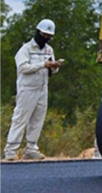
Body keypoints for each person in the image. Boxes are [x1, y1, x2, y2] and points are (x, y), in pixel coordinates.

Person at [5, 20, 62, 161]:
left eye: (49, 36)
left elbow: (51, 70)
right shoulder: (26, 49)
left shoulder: (49, 50)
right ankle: (11, 150)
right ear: (38, 32)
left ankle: (31, 148)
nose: (46, 38)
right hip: (27, 88)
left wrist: (54, 67)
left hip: (43, 88)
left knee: (37, 119)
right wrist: (42, 64)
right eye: (44, 34)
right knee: (20, 118)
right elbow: (23, 68)